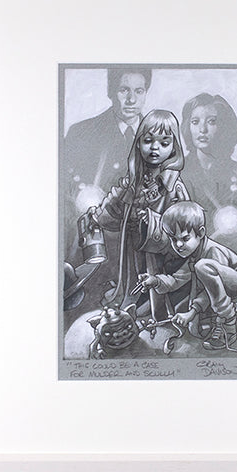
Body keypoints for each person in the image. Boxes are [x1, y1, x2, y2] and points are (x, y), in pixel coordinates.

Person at [88, 109, 190, 317]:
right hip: (132, 248)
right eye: (148, 140)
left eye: (164, 143)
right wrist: (98, 214)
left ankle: (155, 311)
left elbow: (185, 223)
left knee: (154, 292)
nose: (154, 147)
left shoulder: (173, 186)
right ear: (138, 143)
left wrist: (152, 222)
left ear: (174, 148)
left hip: (159, 253)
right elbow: (115, 207)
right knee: (132, 283)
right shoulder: (134, 179)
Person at [63, 67, 152, 261]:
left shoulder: (161, 136)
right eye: (124, 90)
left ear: (146, 93)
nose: (131, 99)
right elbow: (63, 195)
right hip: (94, 249)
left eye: (139, 91)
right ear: (110, 92)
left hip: (143, 249)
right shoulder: (81, 134)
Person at [137, 201, 237, 350]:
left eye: (185, 238)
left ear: (201, 233)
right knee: (192, 327)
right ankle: (235, 310)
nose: (178, 245)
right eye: (174, 239)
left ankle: (228, 324)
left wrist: (192, 311)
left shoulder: (213, 252)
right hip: (219, 288)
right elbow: (177, 280)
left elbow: (213, 290)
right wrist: (155, 281)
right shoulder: (194, 256)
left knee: (201, 267)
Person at [180, 93, 237, 256]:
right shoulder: (175, 174)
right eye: (195, 122)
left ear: (224, 127)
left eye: (211, 122)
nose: (202, 130)